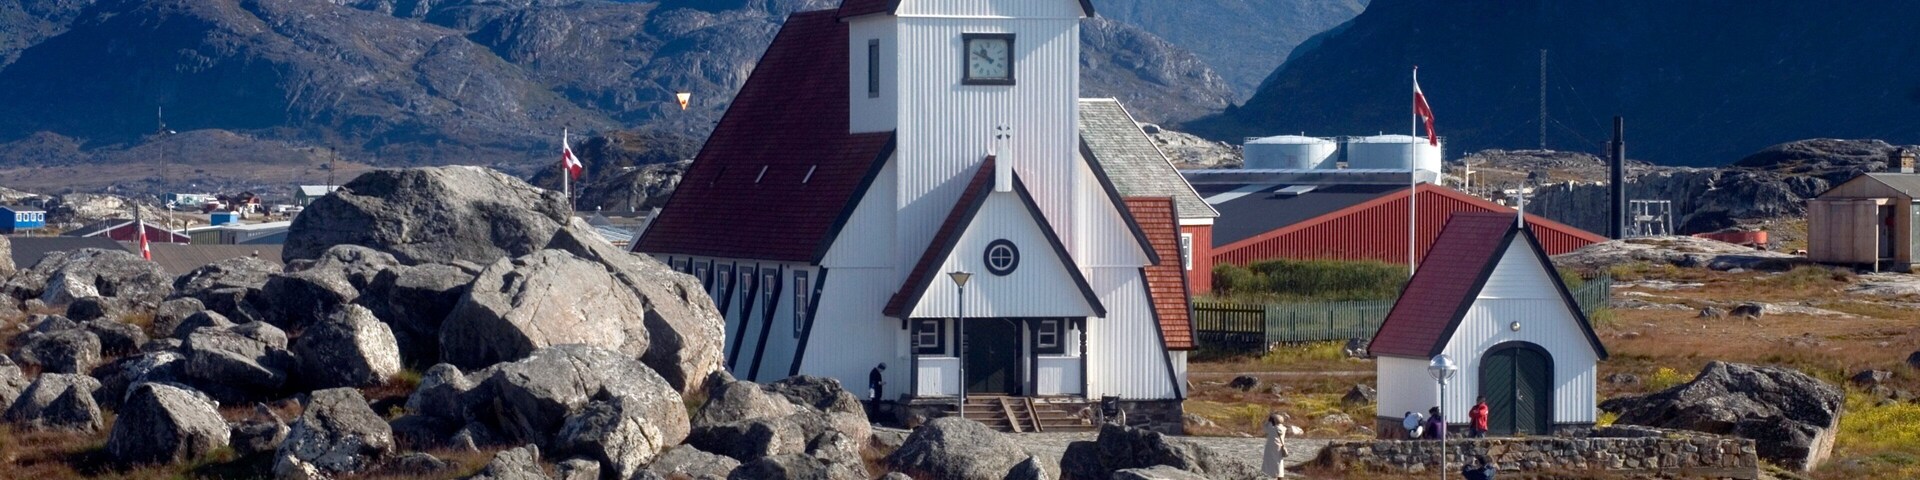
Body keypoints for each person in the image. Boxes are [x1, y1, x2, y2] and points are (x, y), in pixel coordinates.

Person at [1262, 413, 1291, 479]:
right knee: (1279, 463)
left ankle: (1269, 476)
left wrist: (1269, 420)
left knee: (1269, 463)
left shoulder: (1272, 429)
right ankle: (1280, 476)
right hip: (1279, 448)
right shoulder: (1283, 428)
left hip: (1270, 448)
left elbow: (1265, 427)